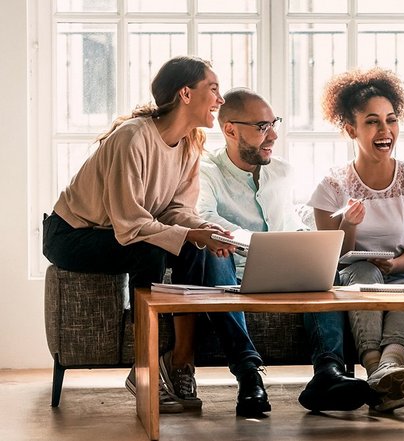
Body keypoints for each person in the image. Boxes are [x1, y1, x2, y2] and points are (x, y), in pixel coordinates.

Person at [41, 55, 252, 415]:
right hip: (72, 234)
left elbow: (175, 209)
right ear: (186, 93)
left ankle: (181, 362)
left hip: (117, 230)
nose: (220, 99)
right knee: (149, 251)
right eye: (213, 89)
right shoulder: (133, 138)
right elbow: (131, 226)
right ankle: (145, 367)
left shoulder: (190, 142)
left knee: (195, 247)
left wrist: (202, 229)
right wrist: (189, 232)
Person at [197, 87, 373, 413]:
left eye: (273, 124)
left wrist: (315, 244)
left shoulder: (282, 172)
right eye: (262, 127)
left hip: (282, 272)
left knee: (322, 267)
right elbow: (205, 218)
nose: (273, 135)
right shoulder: (205, 170)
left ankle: (328, 373)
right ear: (230, 130)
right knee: (213, 252)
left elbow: (291, 225)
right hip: (232, 274)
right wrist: (258, 245)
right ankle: (249, 376)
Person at [308, 68, 404, 412]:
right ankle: (378, 370)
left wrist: (394, 264)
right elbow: (331, 257)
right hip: (354, 274)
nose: (385, 130)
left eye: (391, 120)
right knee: (363, 272)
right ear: (351, 129)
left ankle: (388, 367)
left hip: (403, 270)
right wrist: (348, 225)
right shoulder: (332, 185)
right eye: (372, 122)